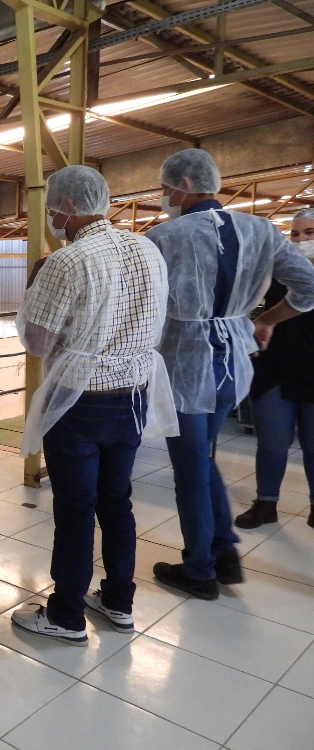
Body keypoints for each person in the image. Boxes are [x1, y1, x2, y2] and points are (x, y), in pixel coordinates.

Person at [10, 166, 177, 646]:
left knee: (77, 507)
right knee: (117, 501)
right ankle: (118, 602)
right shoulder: (148, 248)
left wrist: (35, 289)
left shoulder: (66, 262)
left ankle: (65, 617)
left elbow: (37, 342)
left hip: (80, 402)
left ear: (64, 208)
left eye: (51, 209)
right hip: (133, 396)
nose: (51, 218)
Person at [146, 149, 314, 600]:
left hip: (186, 367)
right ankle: (223, 550)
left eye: (166, 188)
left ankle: (200, 569)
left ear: (184, 183)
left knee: (189, 468)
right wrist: (269, 319)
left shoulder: (165, 236)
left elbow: (147, 307)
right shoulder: (262, 230)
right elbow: (309, 286)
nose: (165, 197)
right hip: (234, 364)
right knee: (202, 460)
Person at [235, 207, 314, 530]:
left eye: (309, 233)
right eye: (295, 234)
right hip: (275, 370)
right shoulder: (278, 274)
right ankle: (266, 503)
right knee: (271, 443)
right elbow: (244, 305)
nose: (300, 240)